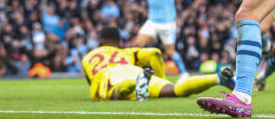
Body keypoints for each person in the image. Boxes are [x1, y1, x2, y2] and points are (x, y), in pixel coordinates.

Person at [81, 27, 235, 101]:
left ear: (100, 41)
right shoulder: (126, 52)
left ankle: (135, 83)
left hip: (109, 75)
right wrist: (162, 79)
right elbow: (154, 53)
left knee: (114, 94)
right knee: (175, 90)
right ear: (118, 42)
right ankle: (217, 78)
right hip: (134, 69)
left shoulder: (89, 57)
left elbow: (91, 81)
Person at [119, 0, 192, 81]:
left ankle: (184, 73)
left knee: (170, 52)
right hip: (152, 21)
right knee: (138, 45)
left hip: (167, 23)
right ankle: (136, 73)